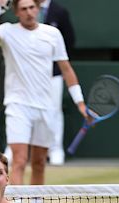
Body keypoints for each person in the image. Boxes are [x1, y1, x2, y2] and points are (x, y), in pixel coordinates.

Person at [0, 0, 89, 185]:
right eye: (24, 9)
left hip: (45, 107)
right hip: (18, 106)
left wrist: (80, 103)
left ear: (38, 9)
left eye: (32, 7)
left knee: (38, 163)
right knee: (20, 160)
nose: (29, 12)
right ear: (16, 12)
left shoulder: (52, 34)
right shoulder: (7, 31)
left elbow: (66, 69)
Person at [4, 0, 76, 166]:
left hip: (53, 75)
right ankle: (13, 148)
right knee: (18, 111)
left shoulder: (59, 11)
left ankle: (55, 150)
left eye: (32, 8)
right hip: (24, 77)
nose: (29, 11)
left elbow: (69, 42)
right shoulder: (18, 16)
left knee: (54, 111)